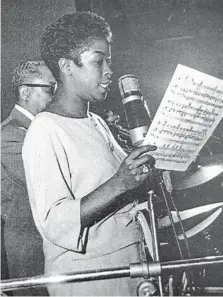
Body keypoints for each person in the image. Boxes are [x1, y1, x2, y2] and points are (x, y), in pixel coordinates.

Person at [22, 12, 156, 296]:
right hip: (89, 279)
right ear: (66, 66)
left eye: (109, 60)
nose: (109, 70)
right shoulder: (44, 130)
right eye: (99, 61)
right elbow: (54, 222)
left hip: (128, 267)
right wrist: (121, 182)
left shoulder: (96, 122)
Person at [1, 60, 56, 296]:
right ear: (25, 92)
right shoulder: (10, 134)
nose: (55, 96)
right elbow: (44, 183)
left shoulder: (45, 128)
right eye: (49, 89)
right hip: (32, 250)